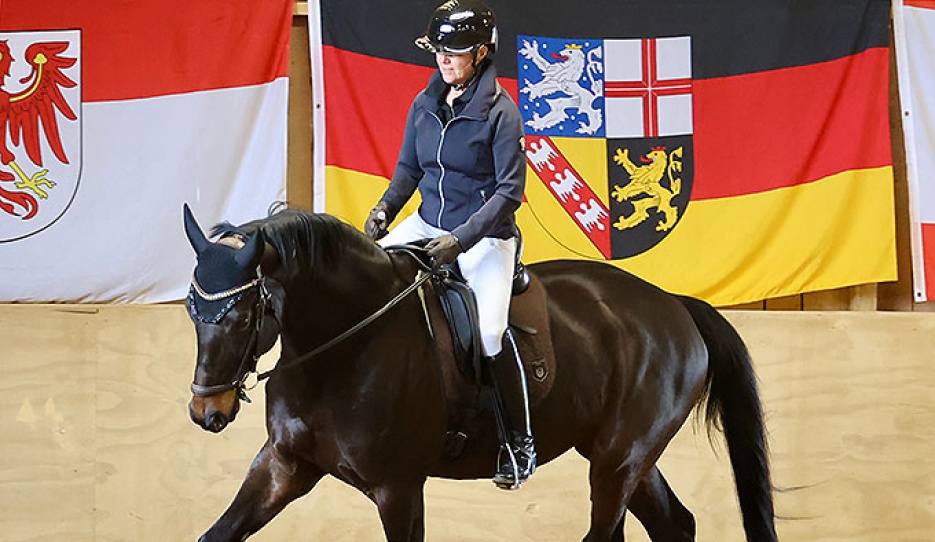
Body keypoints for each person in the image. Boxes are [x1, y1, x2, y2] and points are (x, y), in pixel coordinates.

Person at [363, 0, 535, 489]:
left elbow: (508, 194)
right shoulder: (425, 104)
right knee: (369, 280)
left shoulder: (502, 113)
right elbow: (409, 170)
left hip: (484, 240)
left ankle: (517, 442)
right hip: (426, 223)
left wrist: (459, 241)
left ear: (482, 54)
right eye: (440, 50)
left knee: (491, 333)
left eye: (455, 52)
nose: (444, 59)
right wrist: (383, 211)